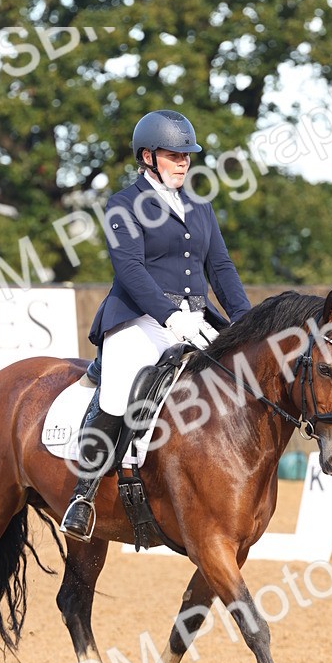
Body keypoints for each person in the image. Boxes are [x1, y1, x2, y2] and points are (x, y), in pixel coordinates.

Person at [60, 109, 252, 540]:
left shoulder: (200, 207)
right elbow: (129, 269)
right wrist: (170, 317)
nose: (183, 163)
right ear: (147, 156)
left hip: (197, 319)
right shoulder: (122, 206)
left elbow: (220, 268)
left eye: (187, 156)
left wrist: (247, 323)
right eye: (174, 155)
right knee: (117, 390)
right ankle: (84, 494)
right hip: (139, 320)